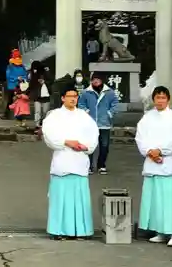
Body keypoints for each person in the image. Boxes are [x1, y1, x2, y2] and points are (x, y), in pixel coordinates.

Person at [42, 82, 99, 239]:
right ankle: (59, 230)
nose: (73, 99)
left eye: (75, 96)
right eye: (70, 96)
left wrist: (84, 146)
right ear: (62, 98)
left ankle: (80, 231)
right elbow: (49, 135)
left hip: (79, 161)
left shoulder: (84, 116)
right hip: (62, 161)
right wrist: (67, 142)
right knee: (61, 198)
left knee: (79, 199)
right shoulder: (54, 116)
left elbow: (94, 135)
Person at [136, 85, 172, 247]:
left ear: (168, 99)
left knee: (169, 200)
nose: (160, 101)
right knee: (155, 200)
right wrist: (150, 152)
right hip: (151, 164)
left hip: (167, 164)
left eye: (163, 98)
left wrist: (161, 151)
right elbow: (140, 137)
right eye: (158, 98)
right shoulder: (147, 117)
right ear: (154, 99)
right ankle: (160, 231)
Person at [78, 72, 118, 175]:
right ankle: (89, 166)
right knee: (90, 146)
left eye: (98, 79)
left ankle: (101, 165)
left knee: (104, 146)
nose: (95, 81)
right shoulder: (86, 92)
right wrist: (86, 113)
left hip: (104, 123)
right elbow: (81, 104)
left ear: (102, 80)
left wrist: (109, 113)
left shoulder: (109, 92)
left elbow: (115, 104)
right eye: (94, 79)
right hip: (90, 124)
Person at [2, 49, 27, 119]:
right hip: (12, 85)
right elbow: (8, 76)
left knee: (19, 100)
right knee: (10, 100)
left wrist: (22, 79)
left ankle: (19, 115)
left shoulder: (22, 67)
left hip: (19, 86)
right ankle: (8, 114)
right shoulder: (10, 67)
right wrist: (17, 78)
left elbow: (25, 75)